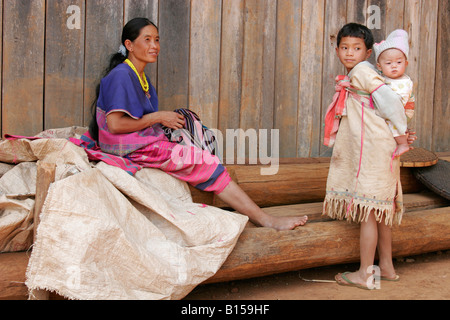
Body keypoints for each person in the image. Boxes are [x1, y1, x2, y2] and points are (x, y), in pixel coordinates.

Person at [86, 18, 307, 231]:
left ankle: (220, 181)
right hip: (129, 146)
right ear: (129, 45)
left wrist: (171, 120)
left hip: (140, 140)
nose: (154, 46)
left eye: (157, 39)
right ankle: (265, 219)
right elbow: (114, 125)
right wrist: (159, 117)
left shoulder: (139, 76)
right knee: (204, 160)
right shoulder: (122, 75)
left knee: (195, 129)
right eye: (147, 39)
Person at [322, 23, 416, 289]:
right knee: (380, 208)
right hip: (382, 149)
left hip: (374, 151)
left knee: (368, 213)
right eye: (344, 47)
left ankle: (365, 273)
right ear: (337, 48)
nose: (349, 53)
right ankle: (386, 266)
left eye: (357, 48)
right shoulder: (365, 71)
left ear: (367, 52)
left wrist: (401, 133)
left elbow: (389, 102)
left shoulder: (362, 71)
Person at [374, 29, 415, 157]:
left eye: (399, 62)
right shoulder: (380, 78)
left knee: (393, 120)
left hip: (401, 110)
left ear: (406, 63)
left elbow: (395, 104)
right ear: (379, 66)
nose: (394, 66)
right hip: (389, 109)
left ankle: (403, 144)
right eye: (388, 63)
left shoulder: (404, 82)